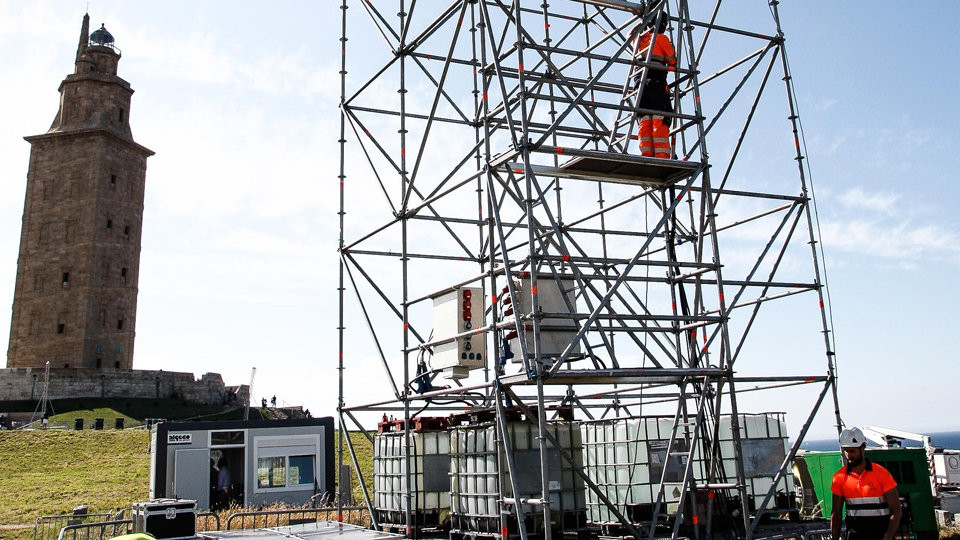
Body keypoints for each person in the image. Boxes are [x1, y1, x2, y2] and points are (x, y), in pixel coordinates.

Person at [830, 427, 902, 540]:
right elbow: (836, 514)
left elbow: (896, 510)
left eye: (852, 451)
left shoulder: (881, 474)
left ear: (863, 448)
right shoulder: (839, 478)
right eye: (846, 450)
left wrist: (888, 537)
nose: (848, 455)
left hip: (880, 535)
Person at [631, 7, 676, 158]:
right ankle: (662, 157)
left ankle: (647, 155)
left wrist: (642, 21)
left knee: (644, 120)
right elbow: (672, 60)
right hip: (656, 82)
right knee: (659, 118)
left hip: (640, 85)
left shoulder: (640, 39)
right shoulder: (661, 38)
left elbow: (630, 35)